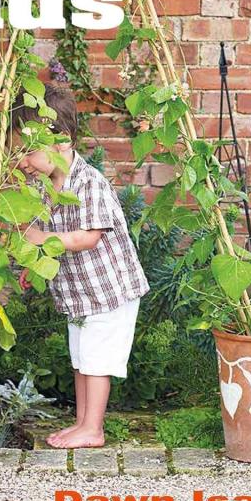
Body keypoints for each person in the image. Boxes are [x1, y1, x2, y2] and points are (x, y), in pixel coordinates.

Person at [11, 83, 149, 449]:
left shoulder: (90, 183)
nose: (21, 161)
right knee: (81, 359)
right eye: (17, 151)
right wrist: (34, 263)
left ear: (63, 141)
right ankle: (83, 422)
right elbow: (48, 234)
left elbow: (89, 237)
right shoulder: (44, 186)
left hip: (109, 292)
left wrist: (42, 241)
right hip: (80, 296)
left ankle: (94, 429)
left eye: (28, 151)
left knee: (97, 361)